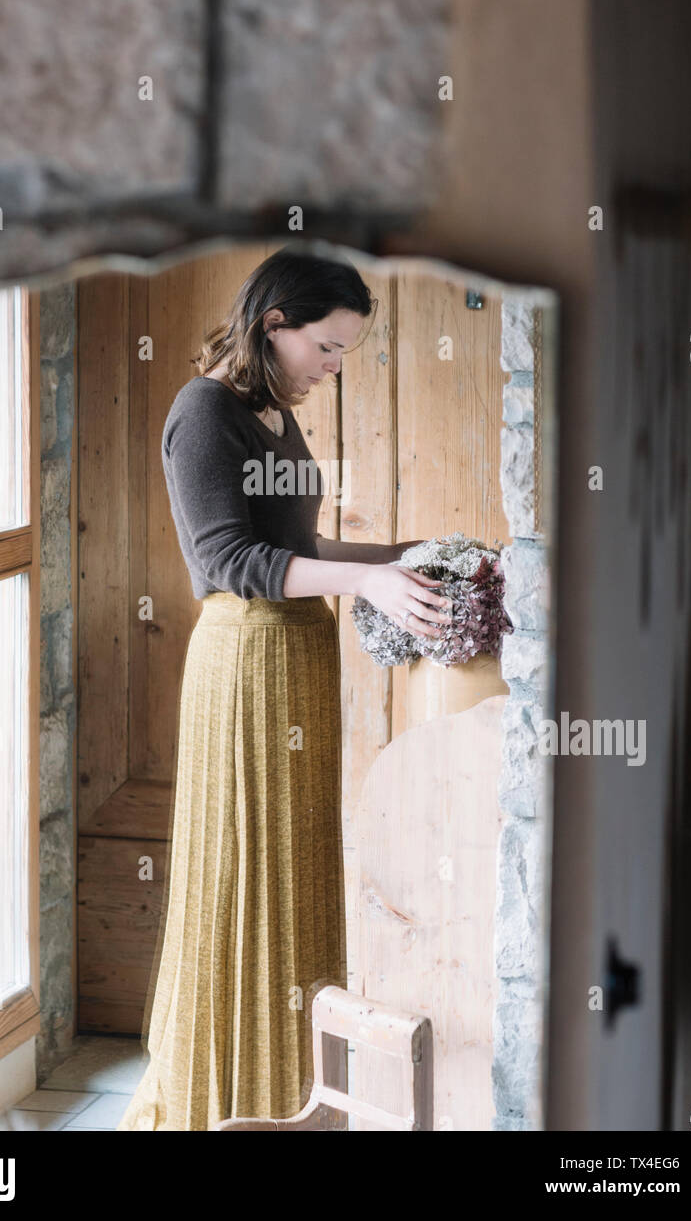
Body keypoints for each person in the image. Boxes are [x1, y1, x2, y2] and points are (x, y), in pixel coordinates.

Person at [116, 247, 450, 1131]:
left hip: (294, 664)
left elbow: (297, 548)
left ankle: (294, 1102)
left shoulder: (269, 412)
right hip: (247, 668)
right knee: (241, 881)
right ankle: (227, 1101)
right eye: (328, 348)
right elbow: (225, 562)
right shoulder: (204, 412)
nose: (336, 369)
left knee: (292, 873)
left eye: (346, 352)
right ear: (273, 325)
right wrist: (368, 585)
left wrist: (399, 559)